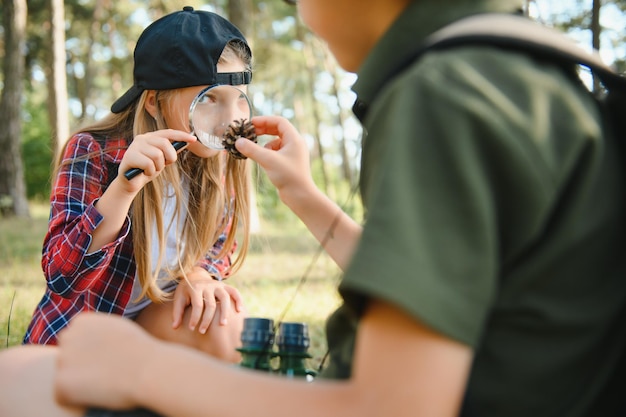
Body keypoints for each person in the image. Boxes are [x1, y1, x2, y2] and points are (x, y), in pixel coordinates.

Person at [1, 0, 626, 416]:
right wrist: (301, 193)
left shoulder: (442, 95)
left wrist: (143, 367)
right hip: (86, 318)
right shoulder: (524, 73)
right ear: (159, 101)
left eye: (236, 98)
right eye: (208, 100)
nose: (301, 13)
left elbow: (391, 407)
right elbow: (465, 289)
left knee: (16, 381)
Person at [21, 6, 254, 358]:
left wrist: (201, 273)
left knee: (228, 326)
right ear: (152, 103)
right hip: (81, 335)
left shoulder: (214, 161)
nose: (230, 119)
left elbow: (222, 241)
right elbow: (62, 277)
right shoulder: (93, 151)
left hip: (152, 322)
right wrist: (123, 189)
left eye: (239, 100)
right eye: (209, 99)